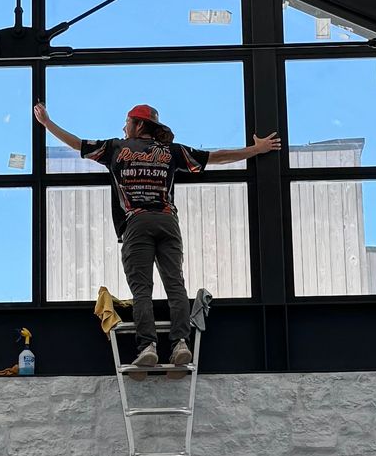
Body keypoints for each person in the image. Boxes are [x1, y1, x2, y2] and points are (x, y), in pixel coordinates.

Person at [33, 99, 279, 374]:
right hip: (167, 222)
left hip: (137, 223)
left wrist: (47, 123)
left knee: (142, 289)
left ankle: (148, 346)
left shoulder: (115, 148)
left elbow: (77, 144)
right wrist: (256, 150)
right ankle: (180, 344)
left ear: (138, 124)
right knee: (175, 285)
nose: (124, 127)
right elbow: (216, 157)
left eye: (127, 122)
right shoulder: (171, 152)